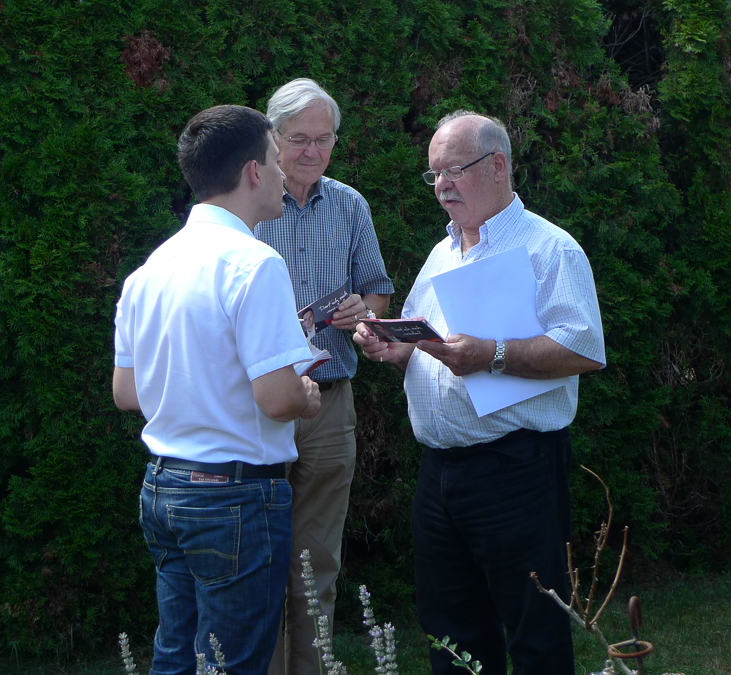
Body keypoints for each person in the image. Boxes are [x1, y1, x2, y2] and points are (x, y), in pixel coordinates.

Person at [354, 110, 606, 675]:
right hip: (441, 474)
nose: (441, 185)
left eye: (453, 170)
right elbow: (432, 344)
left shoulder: (550, 248)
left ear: (497, 166)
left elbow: (585, 349)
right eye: (434, 175)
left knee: (534, 630)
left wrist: (493, 353)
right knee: (451, 634)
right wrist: (397, 349)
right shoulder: (443, 252)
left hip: (515, 467)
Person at [112, 104, 322, 675]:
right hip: (235, 498)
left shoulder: (149, 270)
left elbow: (127, 392)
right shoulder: (254, 264)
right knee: (230, 667)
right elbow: (278, 399)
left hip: (163, 488)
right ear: (254, 171)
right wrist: (306, 391)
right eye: (278, 160)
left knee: (176, 657)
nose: (285, 174)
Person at [253, 78, 394, 675]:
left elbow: (379, 290)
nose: (312, 151)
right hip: (260, 402)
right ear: (272, 139)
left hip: (331, 401)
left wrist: (364, 312)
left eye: (324, 138)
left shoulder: (349, 203)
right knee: (258, 558)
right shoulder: (247, 204)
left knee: (316, 563)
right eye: (298, 139)